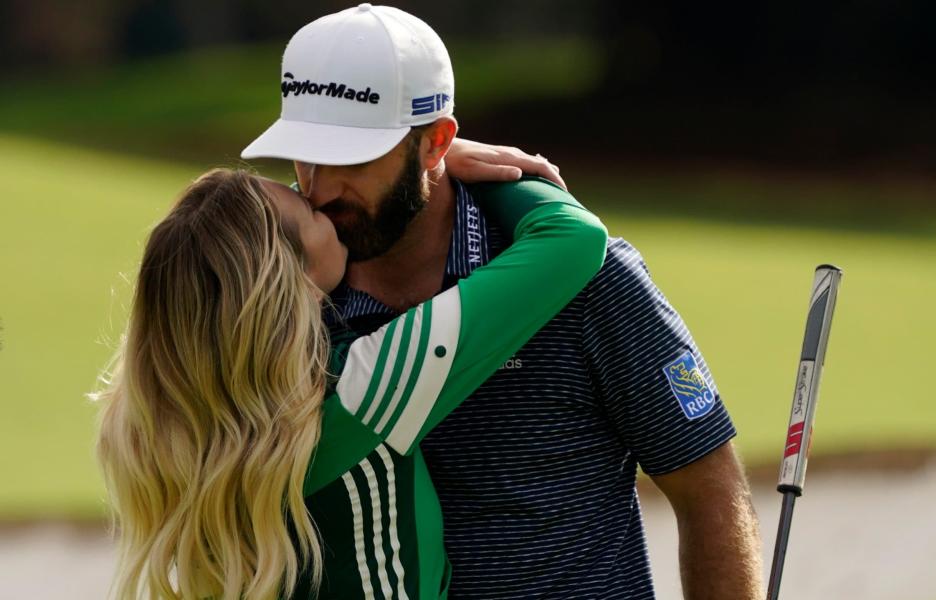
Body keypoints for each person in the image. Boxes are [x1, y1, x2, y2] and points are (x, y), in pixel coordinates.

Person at [241, 4, 764, 600]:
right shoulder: (279, 291)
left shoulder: (591, 283)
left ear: (435, 142)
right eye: (306, 156)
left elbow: (708, 486)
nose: (321, 187)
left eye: (354, 159)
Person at [94, 156, 607, 599]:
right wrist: (436, 163)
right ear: (286, 274)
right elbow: (573, 238)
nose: (325, 203)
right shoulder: (360, 391)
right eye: (310, 210)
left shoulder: (145, 428)